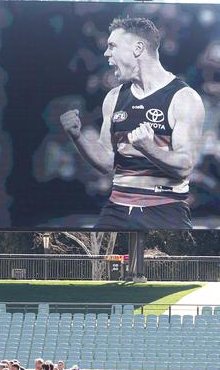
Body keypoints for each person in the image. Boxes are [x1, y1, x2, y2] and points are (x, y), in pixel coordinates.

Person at [60, 17, 205, 230]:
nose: (106, 54)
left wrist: (149, 148)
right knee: (91, 259)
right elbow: (105, 163)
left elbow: (184, 166)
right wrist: (77, 136)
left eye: (112, 47)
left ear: (138, 48)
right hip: (117, 208)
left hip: (166, 210)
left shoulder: (184, 98)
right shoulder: (114, 98)